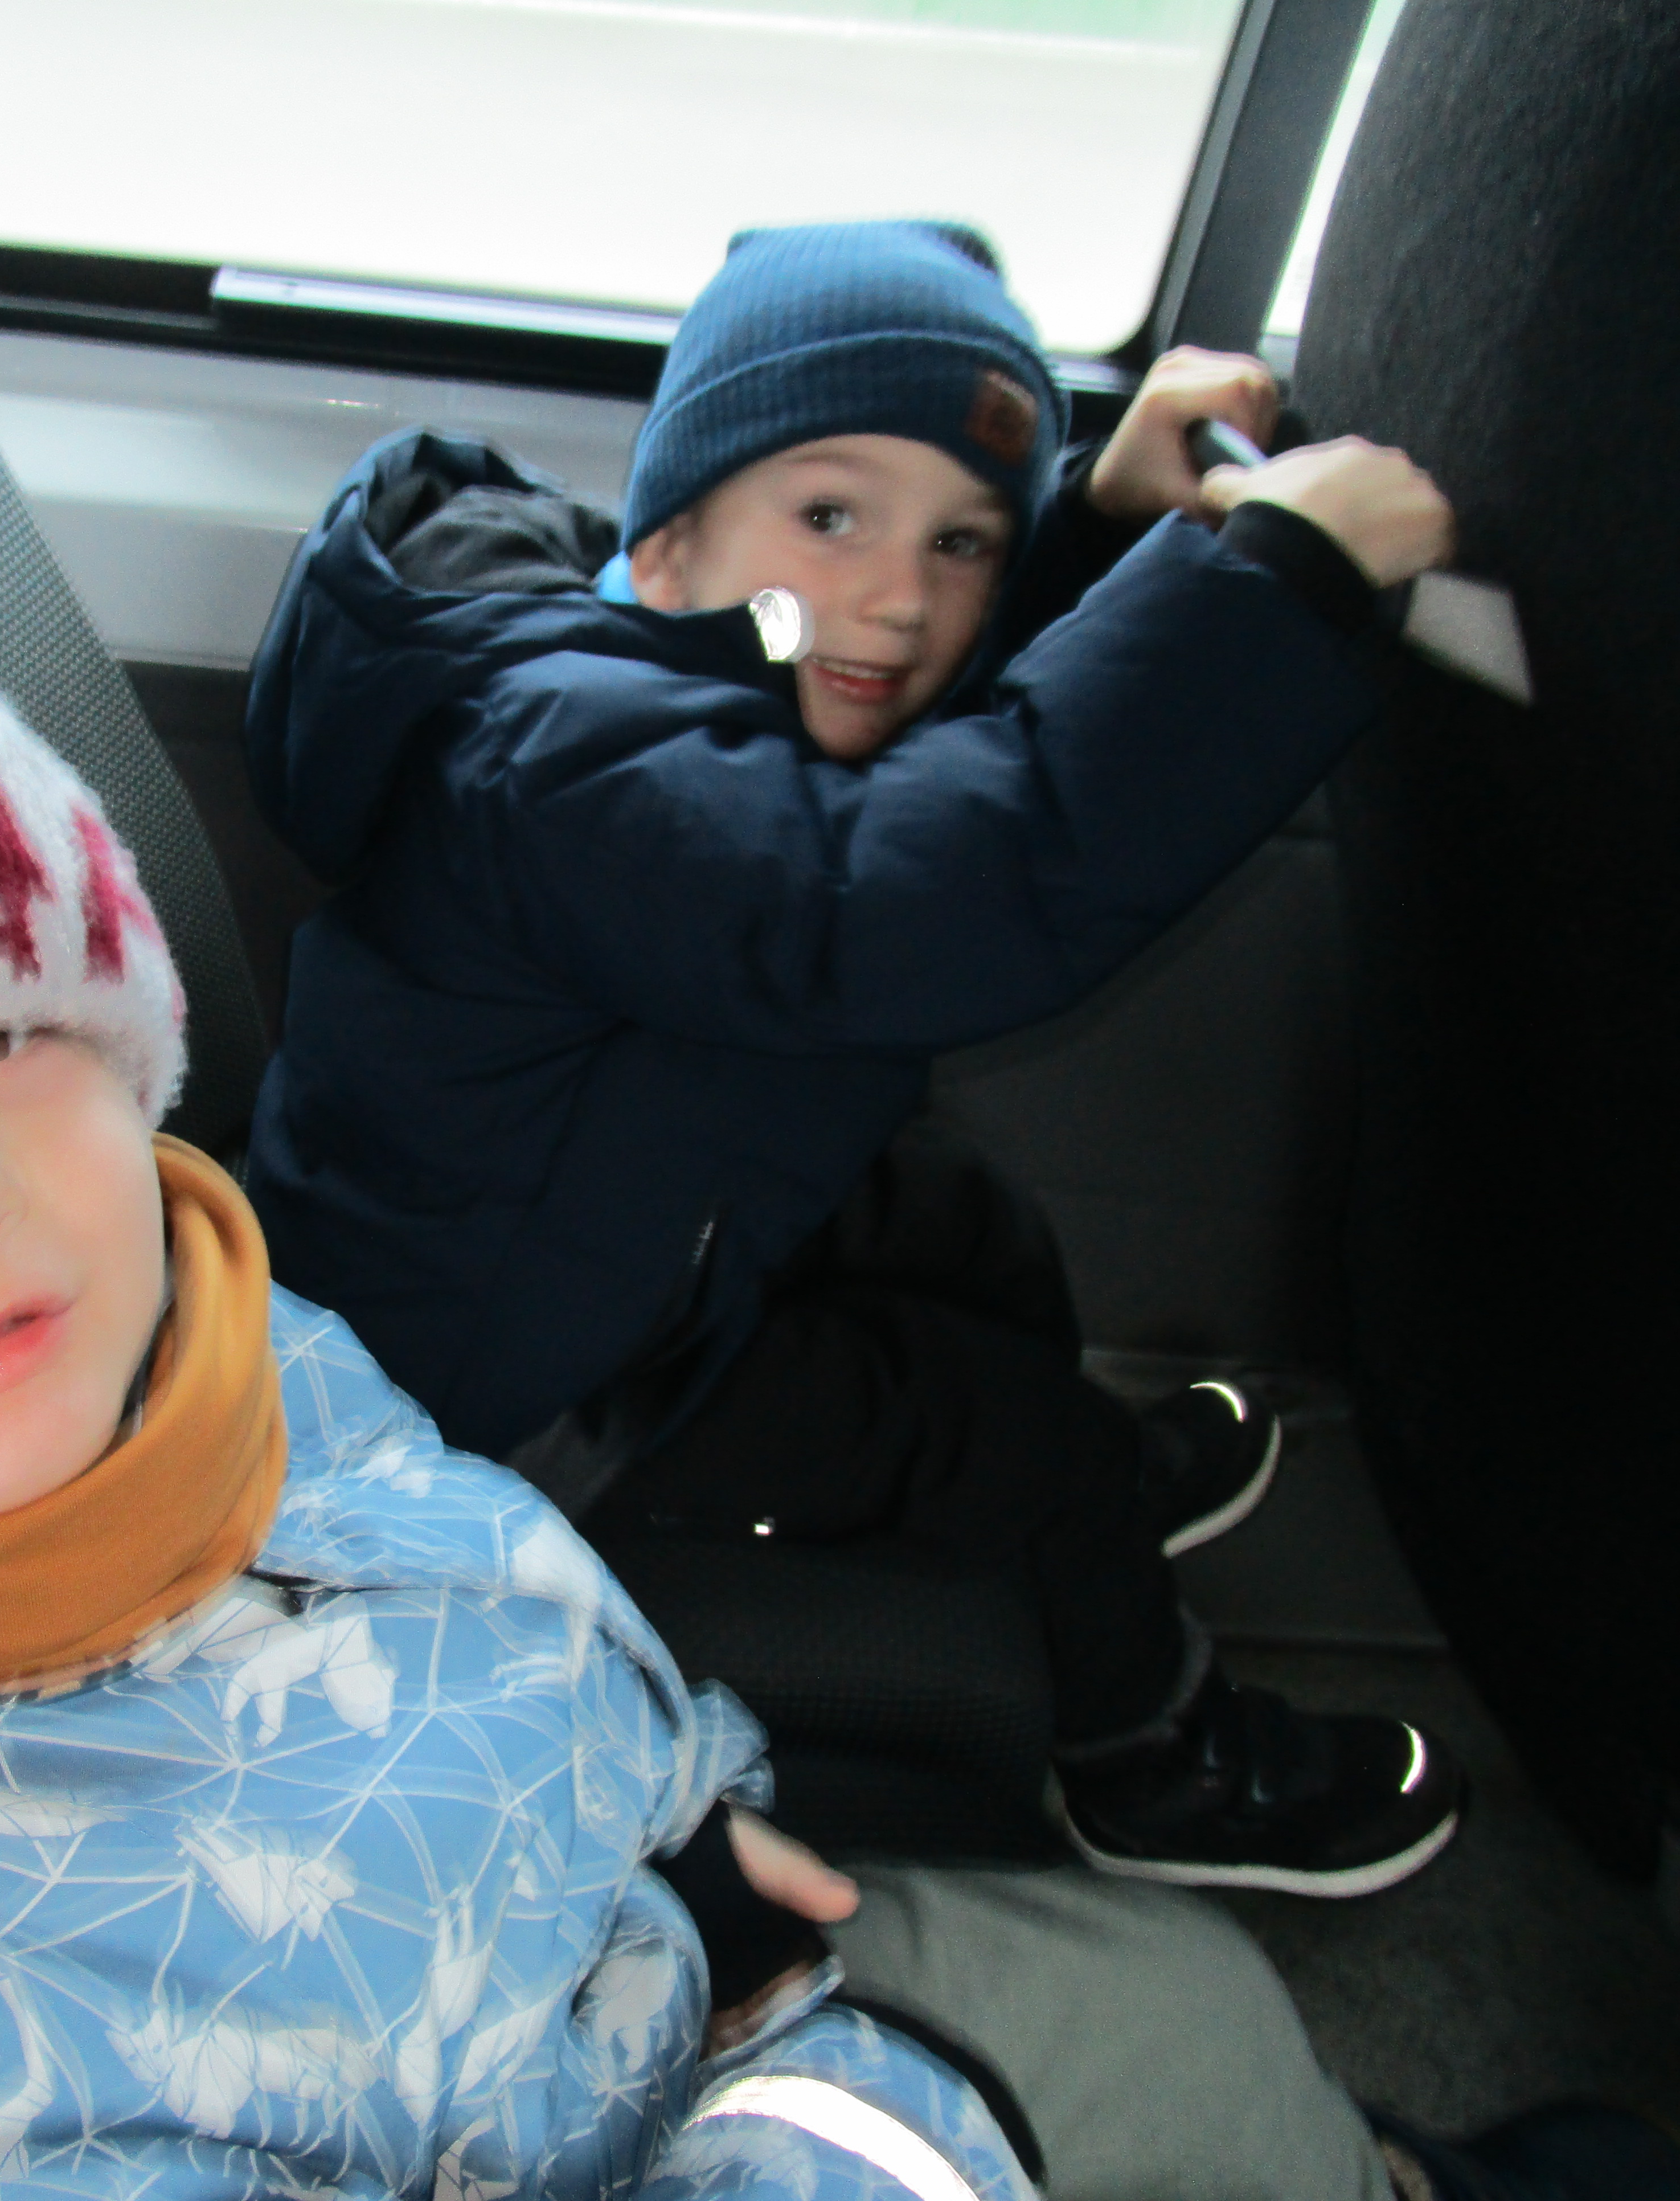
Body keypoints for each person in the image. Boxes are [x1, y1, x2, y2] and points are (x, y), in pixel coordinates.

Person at [0, 320, 1680, 2201]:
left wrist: (680, 1838)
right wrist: (835, 2102)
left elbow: (473, 1589)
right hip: (750, 2121)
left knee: (1198, 2016)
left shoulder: (181, 1332)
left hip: (625, 1962)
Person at [243, 219, 1461, 1896]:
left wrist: (1099, 528)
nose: (902, 592)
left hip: (597, 1232)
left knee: (960, 1222)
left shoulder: (683, 645)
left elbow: (918, 722)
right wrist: (1277, 594)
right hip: (495, 1405)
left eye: (963, 541)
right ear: (670, 534)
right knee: (997, 1435)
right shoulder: (574, 771)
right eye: (832, 515)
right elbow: (915, 885)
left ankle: (1097, 1496)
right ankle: (1151, 1754)